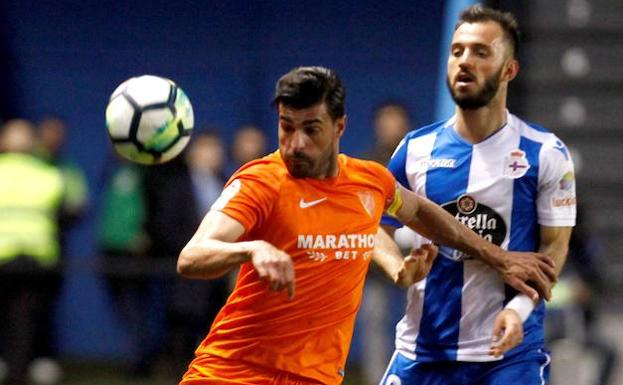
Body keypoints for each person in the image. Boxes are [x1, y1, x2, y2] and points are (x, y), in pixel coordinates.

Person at [176, 66, 556, 385]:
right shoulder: (260, 182)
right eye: (286, 126)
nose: (295, 143)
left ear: (340, 127)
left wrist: (497, 258)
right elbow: (192, 256)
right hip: (234, 372)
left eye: (311, 129)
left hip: (317, 377)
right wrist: (251, 247)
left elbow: (418, 212)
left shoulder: (369, 182)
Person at [379, 5, 576, 385]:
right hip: (422, 352)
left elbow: (555, 249)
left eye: (481, 52)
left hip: (508, 357)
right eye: (457, 51)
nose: (465, 61)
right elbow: (376, 225)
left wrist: (519, 310)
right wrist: (396, 269)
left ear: (509, 70)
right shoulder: (414, 149)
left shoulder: (545, 152)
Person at [0, 119, 65, 385]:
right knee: (26, 325)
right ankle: (18, 374)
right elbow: (67, 209)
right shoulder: (49, 175)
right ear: (32, 145)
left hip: (2, 261)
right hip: (37, 262)